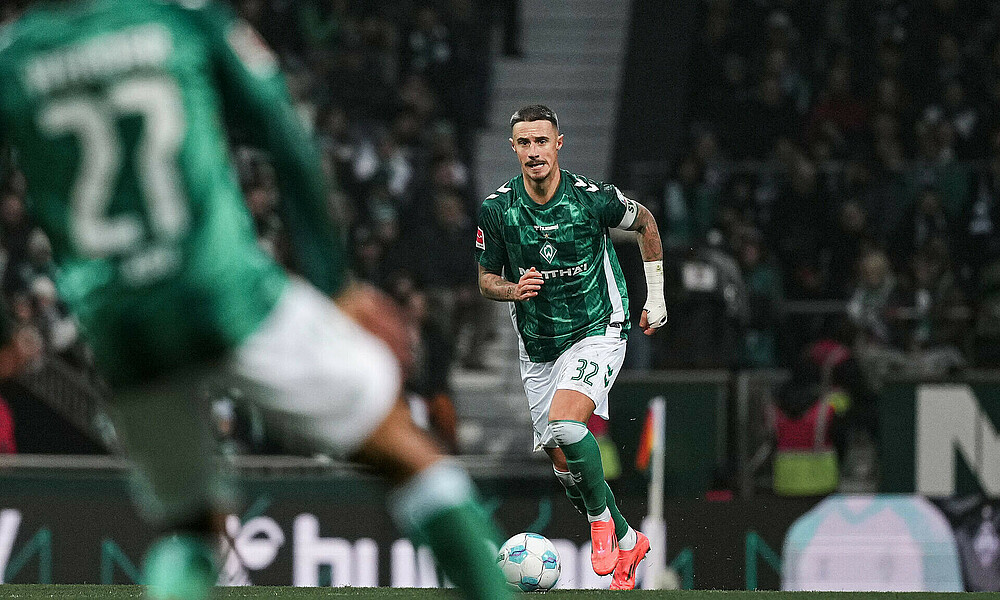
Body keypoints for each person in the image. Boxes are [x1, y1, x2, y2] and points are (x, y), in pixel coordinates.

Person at [0, 2, 510, 600]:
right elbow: (283, 131)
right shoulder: (177, 17)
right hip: (221, 289)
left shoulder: (12, 57)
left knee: (188, 525)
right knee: (402, 449)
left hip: (118, 322)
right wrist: (335, 283)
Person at [476, 104, 667, 590]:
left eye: (542, 141)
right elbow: (485, 279)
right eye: (525, 142)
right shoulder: (498, 209)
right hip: (538, 346)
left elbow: (645, 223)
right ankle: (628, 540)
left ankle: (602, 524)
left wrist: (657, 297)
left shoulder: (591, 199)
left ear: (558, 143)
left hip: (599, 327)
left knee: (567, 423)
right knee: (564, 465)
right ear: (514, 148)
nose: (534, 151)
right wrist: (512, 289)